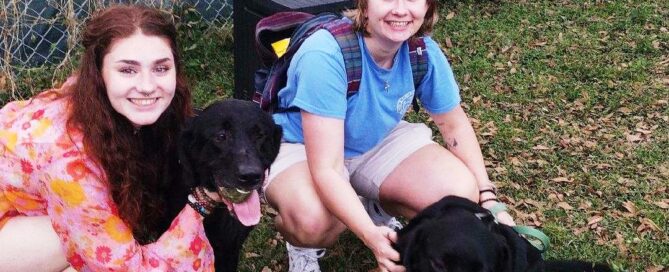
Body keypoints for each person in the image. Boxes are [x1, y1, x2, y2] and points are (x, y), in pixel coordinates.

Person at [262, 0, 516, 271]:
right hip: (301, 144)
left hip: (372, 137)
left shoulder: (422, 51)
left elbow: (454, 126)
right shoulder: (325, 54)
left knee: (459, 192)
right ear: (365, 4)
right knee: (314, 220)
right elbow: (327, 168)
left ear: (428, 7)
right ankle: (302, 245)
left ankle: (376, 207)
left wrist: (487, 198)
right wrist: (370, 235)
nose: (399, 9)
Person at [0, 5, 224, 271]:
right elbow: (130, 268)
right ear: (98, 73)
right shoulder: (69, 161)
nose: (147, 86)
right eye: (128, 70)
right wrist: (201, 202)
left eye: (161, 68)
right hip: (14, 222)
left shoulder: (95, 103)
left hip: (32, 199)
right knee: (72, 242)